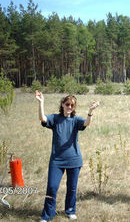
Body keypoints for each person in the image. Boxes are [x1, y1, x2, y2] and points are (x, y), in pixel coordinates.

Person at [35, 91, 99, 222]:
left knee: (72, 188)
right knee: (52, 187)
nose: (70, 107)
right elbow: (43, 119)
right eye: (67, 104)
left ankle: (70, 210)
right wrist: (41, 103)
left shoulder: (76, 120)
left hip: (74, 160)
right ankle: (47, 215)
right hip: (57, 161)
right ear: (63, 105)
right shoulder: (55, 119)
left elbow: (87, 123)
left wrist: (90, 111)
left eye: (72, 105)